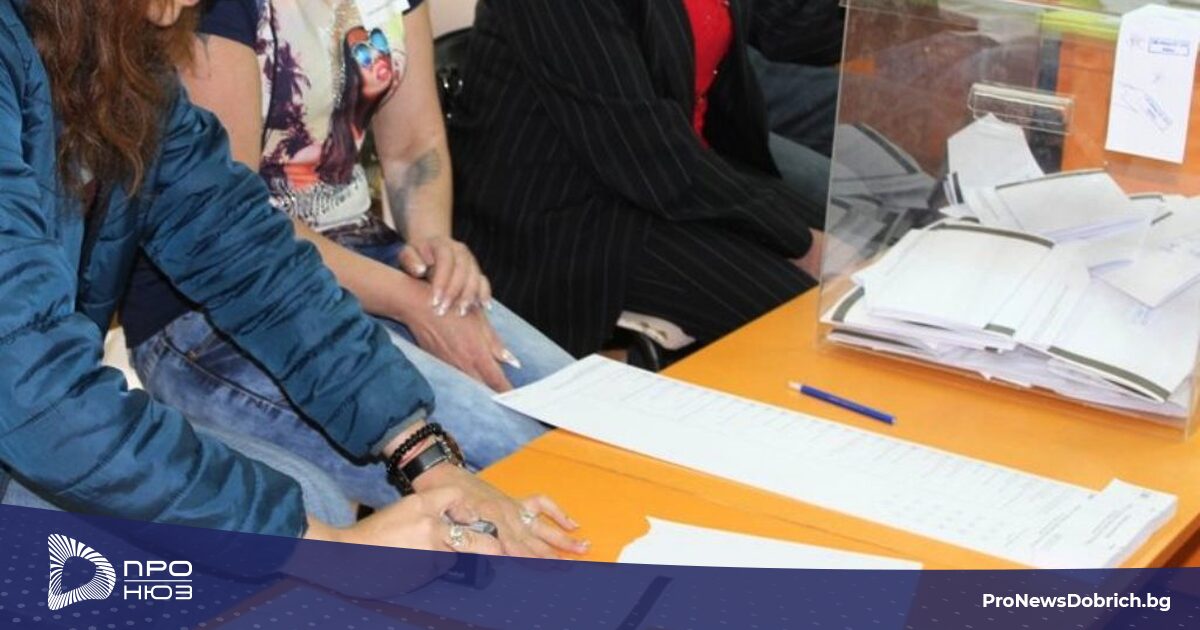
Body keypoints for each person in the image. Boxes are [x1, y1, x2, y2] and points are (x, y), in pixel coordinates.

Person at [0, 0, 585, 559]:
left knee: (306, 506)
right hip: (28, 419)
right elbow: (31, 385)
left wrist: (422, 452)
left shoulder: (124, 61)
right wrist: (328, 549)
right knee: (294, 528)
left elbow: (251, 256)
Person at [449, 0, 828, 361]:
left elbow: (787, 27)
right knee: (807, 316)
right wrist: (795, 240)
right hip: (569, 222)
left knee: (849, 254)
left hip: (665, 179)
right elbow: (639, 147)